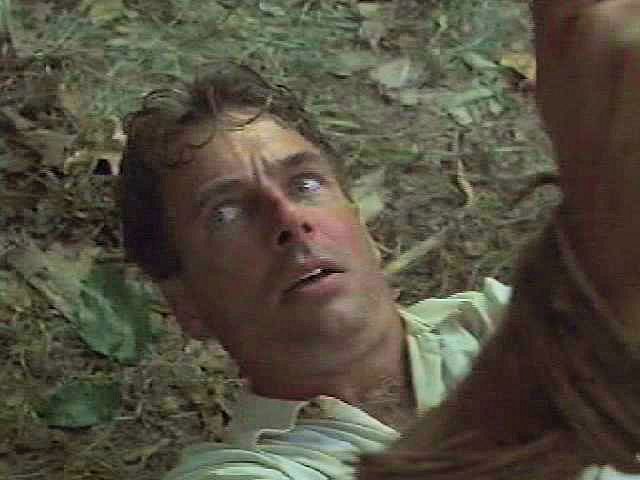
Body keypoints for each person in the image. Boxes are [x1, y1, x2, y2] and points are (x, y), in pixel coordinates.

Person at [118, 1, 640, 479]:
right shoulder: (238, 472)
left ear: (365, 228)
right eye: (227, 213)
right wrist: (593, 259)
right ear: (186, 304)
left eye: (305, 184)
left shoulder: (490, 318)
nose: (288, 218)